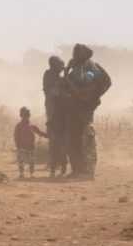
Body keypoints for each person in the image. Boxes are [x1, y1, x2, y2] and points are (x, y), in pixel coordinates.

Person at [65, 44, 111, 179]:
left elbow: (85, 81)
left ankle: (87, 171)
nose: (74, 55)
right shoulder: (78, 67)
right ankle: (77, 170)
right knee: (74, 139)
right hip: (76, 107)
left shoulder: (90, 68)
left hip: (84, 108)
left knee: (86, 140)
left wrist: (71, 71)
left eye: (76, 52)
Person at [42, 56, 69, 177]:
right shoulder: (49, 76)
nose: (61, 68)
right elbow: (54, 92)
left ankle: (62, 167)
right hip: (54, 115)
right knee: (55, 142)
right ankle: (54, 168)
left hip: (60, 114)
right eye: (60, 66)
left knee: (61, 142)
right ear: (54, 66)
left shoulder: (55, 77)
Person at [14, 107, 48, 179]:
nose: (26, 117)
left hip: (30, 146)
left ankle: (30, 174)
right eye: (24, 116)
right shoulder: (19, 126)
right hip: (22, 147)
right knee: (22, 161)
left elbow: (40, 133)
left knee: (30, 161)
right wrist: (18, 146)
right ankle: (22, 174)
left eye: (27, 116)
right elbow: (16, 137)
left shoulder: (31, 126)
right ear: (22, 116)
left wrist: (48, 135)